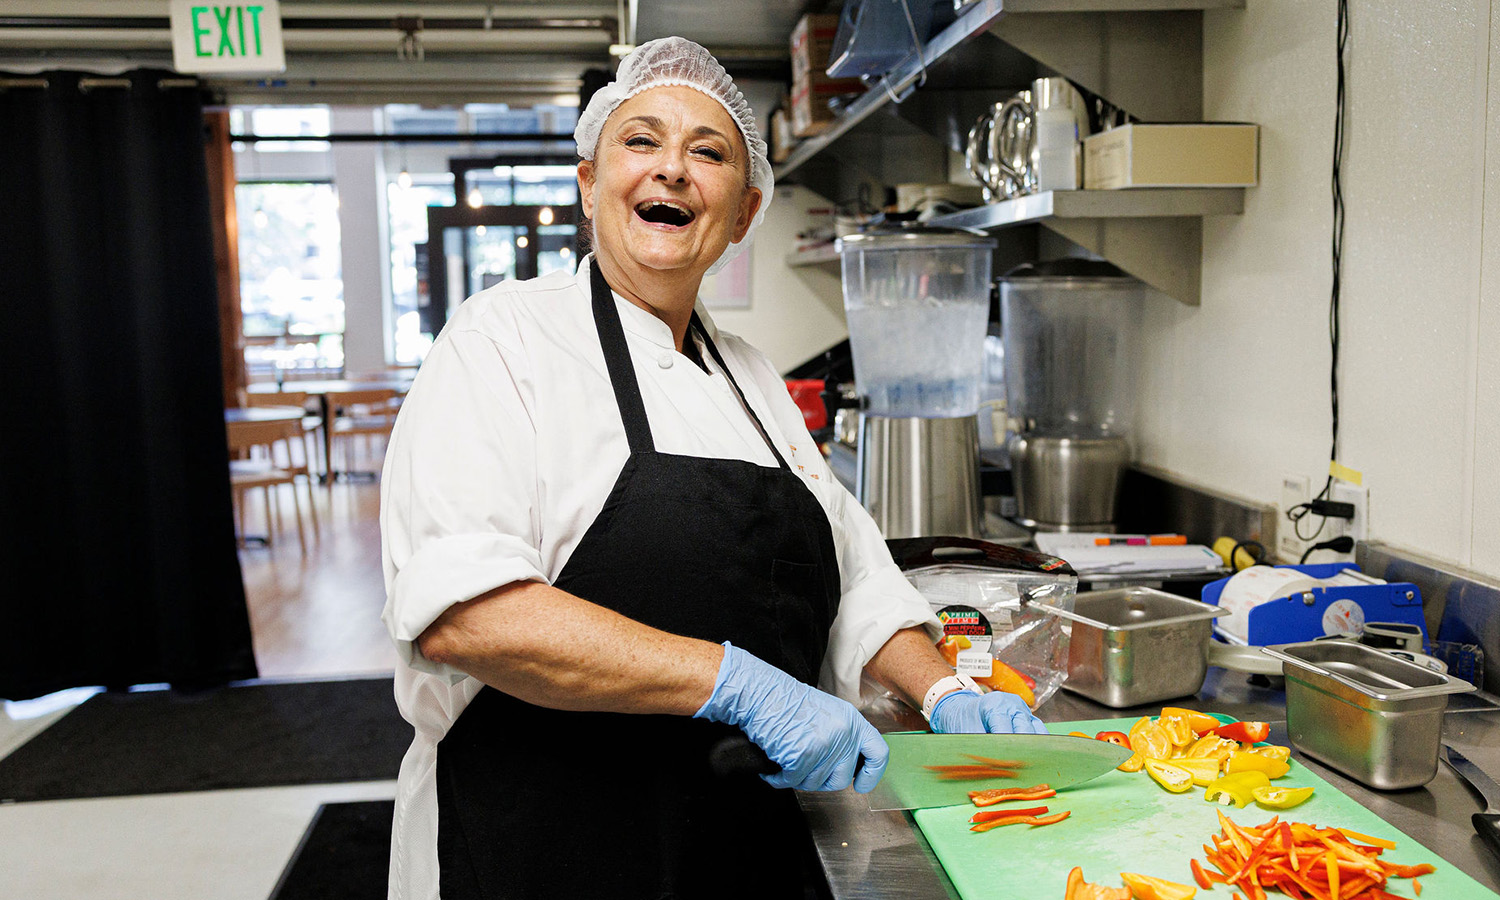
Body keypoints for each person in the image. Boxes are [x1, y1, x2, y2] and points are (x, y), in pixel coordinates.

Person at [379, 37, 1046, 900]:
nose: (672, 171)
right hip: (540, 843)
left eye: (708, 151)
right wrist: (740, 685)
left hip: (738, 841)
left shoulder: (753, 376)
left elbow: (853, 579)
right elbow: (467, 618)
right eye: (641, 141)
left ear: (743, 211)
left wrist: (946, 690)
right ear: (589, 183)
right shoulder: (500, 340)